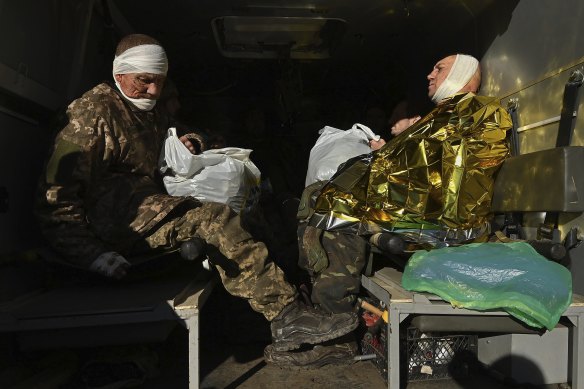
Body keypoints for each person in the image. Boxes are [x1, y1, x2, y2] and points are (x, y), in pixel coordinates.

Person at [36, 33, 357, 355]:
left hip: (149, 208)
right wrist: (89, 253)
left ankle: (273, 311)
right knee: (215, 220)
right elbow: (55, 200)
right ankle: (286, 316)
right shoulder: (91, 115)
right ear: (120, 74)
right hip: (116, 224)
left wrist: (192, 141)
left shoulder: (148, 110)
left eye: (159, 83)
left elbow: (190, 131)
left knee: (250, 210)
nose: (153, 91)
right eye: (145, 81)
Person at [272, 54, 512, 366]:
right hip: (422, 210)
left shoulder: (476, 110)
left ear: (462, 72)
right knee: (324, 195)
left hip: (447, 222)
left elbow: (445, 174)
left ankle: (336, 322)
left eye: (438, 68)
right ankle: (330, 321)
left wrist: (378, 168)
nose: (429, 74)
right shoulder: (445, 114)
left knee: (337, 206)